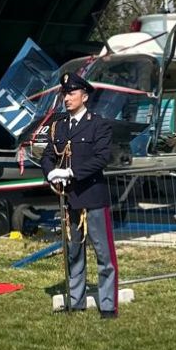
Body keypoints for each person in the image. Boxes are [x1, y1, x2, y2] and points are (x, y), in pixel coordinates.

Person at [42, 72, 119, 319]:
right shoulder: (58, 126)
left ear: (84, 96)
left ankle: (108, 305)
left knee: (103, 254)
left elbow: (101, 157)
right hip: (70, 200)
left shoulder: (98, 124)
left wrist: (72, 172)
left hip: (93, 197)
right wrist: (51, 172)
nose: (67, 98)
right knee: (74, 252)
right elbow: (47, 155)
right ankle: (76, 301)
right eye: (65, 93)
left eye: (72, 93)